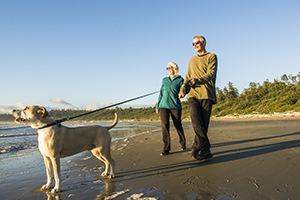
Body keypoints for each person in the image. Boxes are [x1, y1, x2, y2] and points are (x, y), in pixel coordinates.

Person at [178, 35, 217, 160]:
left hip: (206, 94)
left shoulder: (212, 57)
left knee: (203, 125)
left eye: (197, 43)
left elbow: (210, 75)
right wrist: (182, 90)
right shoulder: (191, 60)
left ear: (204, 43)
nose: (195, 45)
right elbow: (187, 76)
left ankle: (196, 149)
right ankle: (206, 148)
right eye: (193, 44)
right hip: (193, 95)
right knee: (196, 123)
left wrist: (197, 80)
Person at [156, 62, 186, 156]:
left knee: (178, 125)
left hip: (175, 106)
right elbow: (161, 93)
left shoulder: (180, 79)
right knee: (165, 126)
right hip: (163, 105)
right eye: (167, 68)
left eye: (170, 68)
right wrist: (157, 106)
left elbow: (184, 90)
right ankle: (166, 148)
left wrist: (183, 94)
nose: (168, 69)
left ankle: (183, 143)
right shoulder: (164, 80)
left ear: (174, 68)